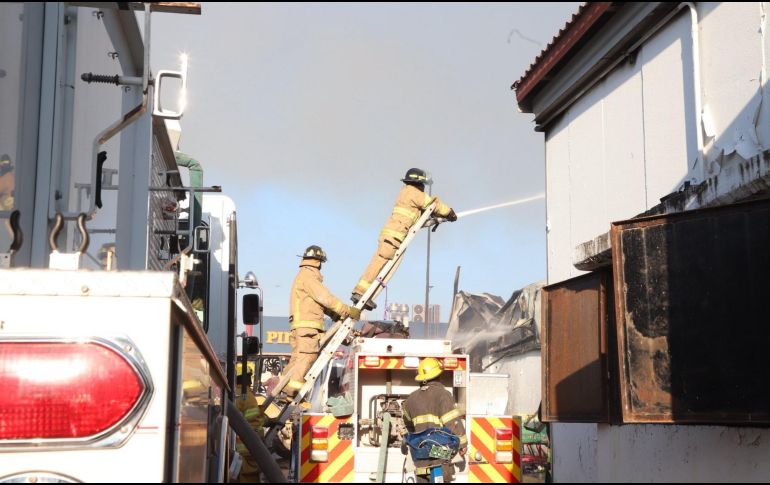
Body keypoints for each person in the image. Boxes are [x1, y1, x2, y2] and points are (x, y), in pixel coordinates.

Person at [351, 168, 457, 309]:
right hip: (394, 235)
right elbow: (433, 204)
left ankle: (366, 295)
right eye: (422, 184)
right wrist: (449, 212)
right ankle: (360, 292)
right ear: (418, 183)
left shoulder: (408, 196)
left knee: (383, 265)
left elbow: (418, 222)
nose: (423, 187)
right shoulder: (412, 192)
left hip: (395, 235)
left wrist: (438, 219)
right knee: (379, 262)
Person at [284, 245, 361, 398]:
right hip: (308, 328)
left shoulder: (302, 276)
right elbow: (325, 298)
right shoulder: (309, 277)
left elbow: (319, 304)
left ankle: (285, 390)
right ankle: (292, 393)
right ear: (318, 262)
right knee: (307, 358)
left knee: (297, 360)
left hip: (301, 328)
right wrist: (347, 310)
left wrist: (336, 316)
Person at [402, 357, 467, 483]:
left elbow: (409, 427)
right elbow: (452, 422)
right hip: (439, 452)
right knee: (440, 476)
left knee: (422, 478)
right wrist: (462, 444)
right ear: (438, 376)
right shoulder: (443, 395)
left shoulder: (410, 400)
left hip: (420, 453)